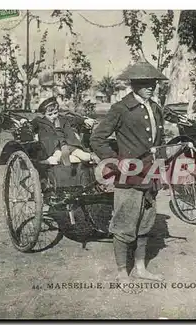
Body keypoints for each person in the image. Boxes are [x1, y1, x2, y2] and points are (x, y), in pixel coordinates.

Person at [90, 54, 167, 282]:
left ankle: (141, 268)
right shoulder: (121, 108)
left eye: (153, 83)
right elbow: (98, 139)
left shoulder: (155, 107)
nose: (151, 88)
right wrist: (115, 161)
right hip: (129, 175)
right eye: (145, 84)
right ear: (133, 85)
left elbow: (158, 141)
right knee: (124, 224)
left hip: (151, 173)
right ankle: (122, 272)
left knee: (145, 223)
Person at [30, 97, 97, 166]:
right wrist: (23, 122)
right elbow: (31, 125)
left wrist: (84, 120)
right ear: (44, 114)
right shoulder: (40, 121)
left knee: (84, 156)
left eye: (55, 113)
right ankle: (50, 161)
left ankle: (92, 159)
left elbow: (73, 119)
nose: (53, 116)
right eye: (50, 114)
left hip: (68, 144)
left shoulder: (61, 118)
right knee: (65, 158)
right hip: (53, 147)